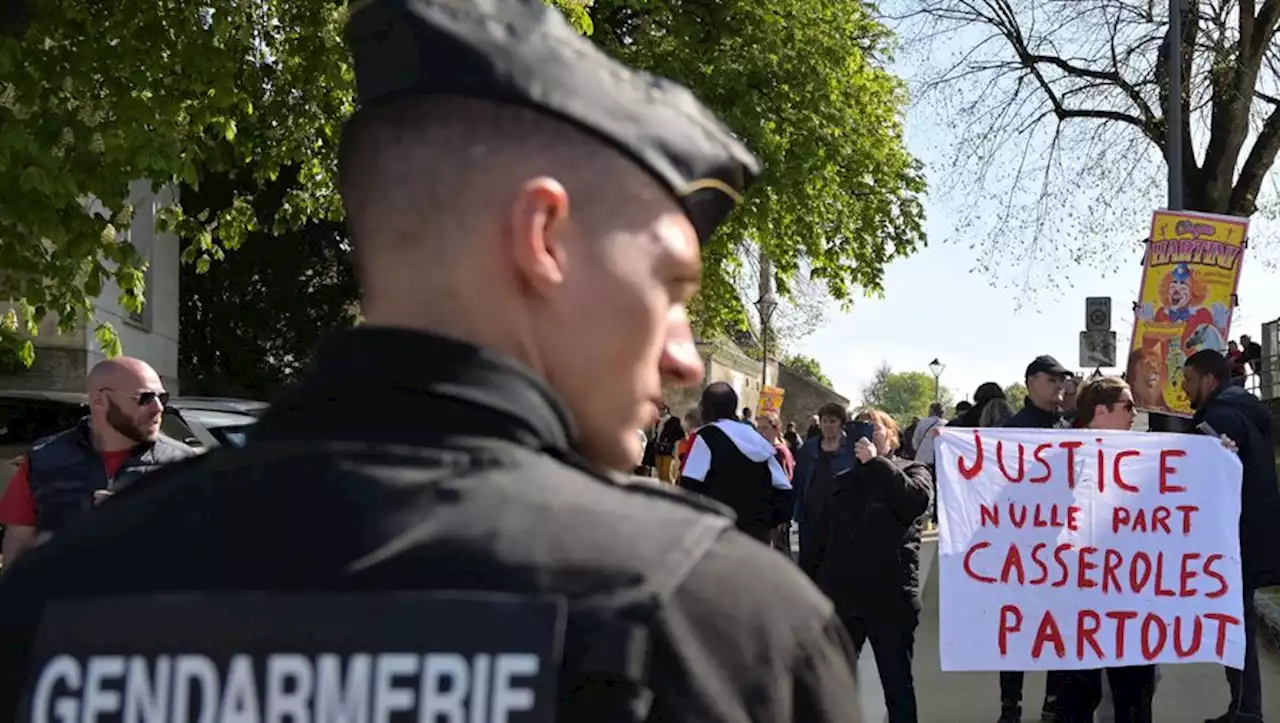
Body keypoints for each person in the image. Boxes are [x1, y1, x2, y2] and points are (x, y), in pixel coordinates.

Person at [0, 2, 864, 720]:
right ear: (545, 238)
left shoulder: (55, 604)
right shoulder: (721, 624)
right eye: (670, 287)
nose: (682, 356)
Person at [0, 357, 195, 568]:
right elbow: (18, 546)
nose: (158, 408)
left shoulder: (185, 464)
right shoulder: (44, 459)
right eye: (145, 398)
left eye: (162, 398)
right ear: (100, 401)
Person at [807, 407, 932, 723]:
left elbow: (914, 502)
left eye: (874, 427)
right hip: (845, 596)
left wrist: (877, 463)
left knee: (897, 685)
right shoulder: (844, 480)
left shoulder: (912, 469)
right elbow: (821, 536)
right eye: (861, 427)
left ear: (891, 435)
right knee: (834, 684)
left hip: (891, 598)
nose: (867, 433)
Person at [1051, 376, 1158, 723]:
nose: (1134, 413)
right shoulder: (1058, 457)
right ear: (1101, 411)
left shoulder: (1145, 456)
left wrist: (1218, 458)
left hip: (1130, 593)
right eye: (1128, 406)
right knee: (1078, 692)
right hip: (1077, 596)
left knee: (1134, 692)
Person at [1184, 349, 1280, 723]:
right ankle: (1243, 706)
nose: (1185, 388)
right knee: (1238, 620)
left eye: (1190, 380)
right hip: (1254, 527)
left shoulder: (1220, 417)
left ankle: (1246, 710)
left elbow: (1209, 478)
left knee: (1235, 621)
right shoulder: (1247, 411)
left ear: (1209, 379)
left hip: (1235, 534)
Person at [1000, 354, 1071, 723]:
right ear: (1030, 381)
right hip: (1022, 549)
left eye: (1062, 381)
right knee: (1017, 627)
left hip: (1061, 549)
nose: (1059, 386)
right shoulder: (1012, 430)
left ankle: (1052, 703)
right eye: (1052, 379)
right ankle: (1010, 706)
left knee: (1055, 628)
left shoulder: (1070, 428)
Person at [679, 383, 793, 543]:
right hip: (757, 536)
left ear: (707, 409)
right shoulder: (755, 437)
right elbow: (784, 490)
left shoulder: (707, 436)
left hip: (721, 534)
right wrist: (765, 520)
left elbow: (689, 487)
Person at [794, 402, 858, 571]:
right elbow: (799, 480)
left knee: (835, 565)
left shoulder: (852, 450)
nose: (828, 426)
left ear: (841, 424)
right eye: (825, 421)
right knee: (808, 563)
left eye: (832, 421)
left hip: (840, 518)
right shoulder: (809, 448)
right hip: (811, 517)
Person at [654, 413, 685, 483]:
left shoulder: (674, 421)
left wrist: (674, 448)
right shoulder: (658, 422)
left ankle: (669, 489)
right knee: (660, 473)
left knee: (667, 472)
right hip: (659, 450)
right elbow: (657, 436)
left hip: (669, 451)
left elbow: (679, 436)